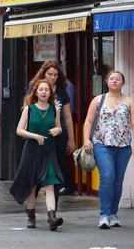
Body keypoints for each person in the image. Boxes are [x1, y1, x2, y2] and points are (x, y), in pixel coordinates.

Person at [83, 69, 134, 230]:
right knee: (107, 176)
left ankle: (113, 214)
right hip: (102, 143)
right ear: (106, 82)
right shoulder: (98, 100)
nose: (114, 81)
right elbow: (88, 121)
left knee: (117, 181)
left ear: (123, 83)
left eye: (118, 79)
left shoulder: (129, 102)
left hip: (123, 146)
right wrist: (86, 139)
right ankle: (104, 215)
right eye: (111, 78)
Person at [10, 79, 64, 231]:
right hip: (31, 150)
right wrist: (35, 136)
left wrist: (57, 130)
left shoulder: (54, 109)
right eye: (41, 90)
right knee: (31, 186)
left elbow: (59, 127)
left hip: (48, 151)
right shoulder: (30, 109)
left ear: (50, 93)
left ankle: (52, 217)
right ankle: (31, 216)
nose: (44, 92)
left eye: (46, 90)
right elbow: (19, 130)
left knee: (50, 184)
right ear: (36, 92)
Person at [29, 61, 76, 197]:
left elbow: (67, 117)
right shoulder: (35, 87)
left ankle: (58, 192)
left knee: (59, 164)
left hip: (59, 134)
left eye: (55, 75)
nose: (52, 77)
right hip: (39, 135)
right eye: (50, 74)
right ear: (44, 73)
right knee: (37, 165)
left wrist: (71, 140)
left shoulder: (62, 90)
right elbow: (27, 111)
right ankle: (34, 190)